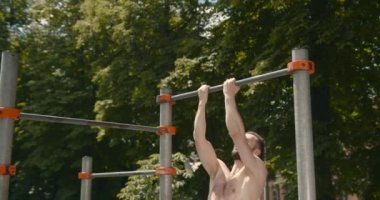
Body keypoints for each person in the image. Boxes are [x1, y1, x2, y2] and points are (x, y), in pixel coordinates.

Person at [193, 78, 267, 200]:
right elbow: (199, 139)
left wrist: (229, 96)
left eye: (247, 141)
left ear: (257, 152)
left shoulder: (257, 169)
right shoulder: (218, 170)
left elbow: (237, 135)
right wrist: (202, 102)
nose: (240, 143)